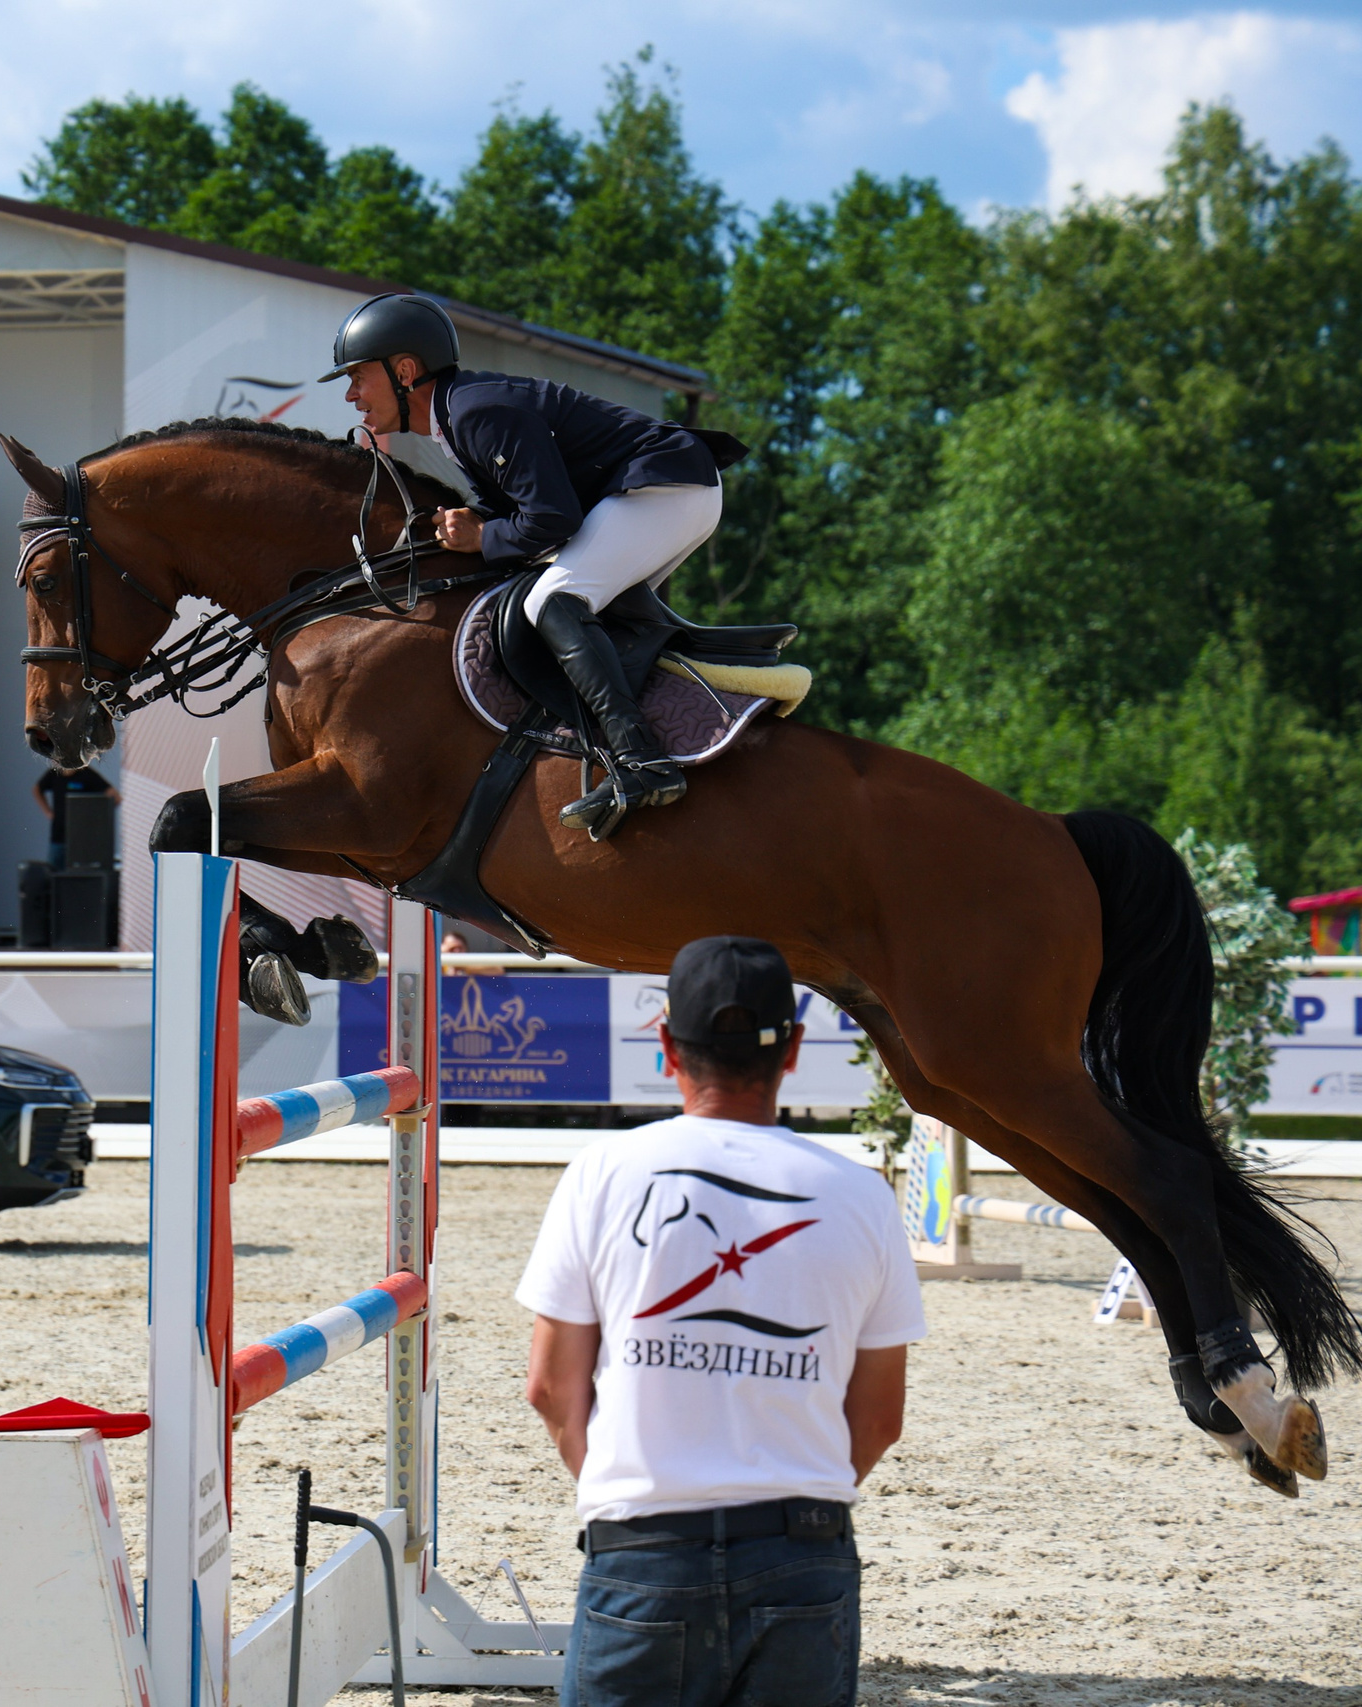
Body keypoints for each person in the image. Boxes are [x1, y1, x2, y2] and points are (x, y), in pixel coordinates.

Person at [515, 936, 922, 1707]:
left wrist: (632, 1497)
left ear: (667, 1043)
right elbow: (879, 1418)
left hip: (646, 1548)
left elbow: (549, 1387)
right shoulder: (863, 1194)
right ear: (792, 1048)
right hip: (802, 1550)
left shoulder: (602, 1174)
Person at [325, 292, 739, 840]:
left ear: (404, 371)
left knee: (554, 600)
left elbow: (552, 519)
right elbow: (514, 509)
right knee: (571, 603)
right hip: (666, 490)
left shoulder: (475, 411)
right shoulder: (455, 417)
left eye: (358, 377)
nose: (351, 395)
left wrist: (482, 536)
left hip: (665, 490)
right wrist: (472, 525)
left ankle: (642, 761)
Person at [32, 763, 117, 868]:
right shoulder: (54, 773)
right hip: (58, 836)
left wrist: (95, 815)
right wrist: (48, 812)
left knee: (79, 872)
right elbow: (37, 789)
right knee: (53, 872)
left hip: (81, 838)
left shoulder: (86, 774)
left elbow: (114, 795)